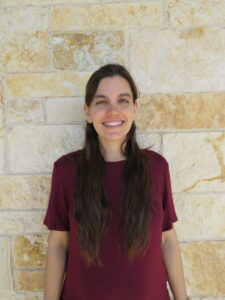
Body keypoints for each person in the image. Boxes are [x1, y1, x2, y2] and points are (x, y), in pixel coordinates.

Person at [43, 63, 188, 300]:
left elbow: (167, 239)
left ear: (135, 108)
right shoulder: (66, 170)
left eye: (123, 100)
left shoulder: (157, 167)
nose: (113, 111)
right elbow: (59, 244)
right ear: (87, 111)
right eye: (101, 102)